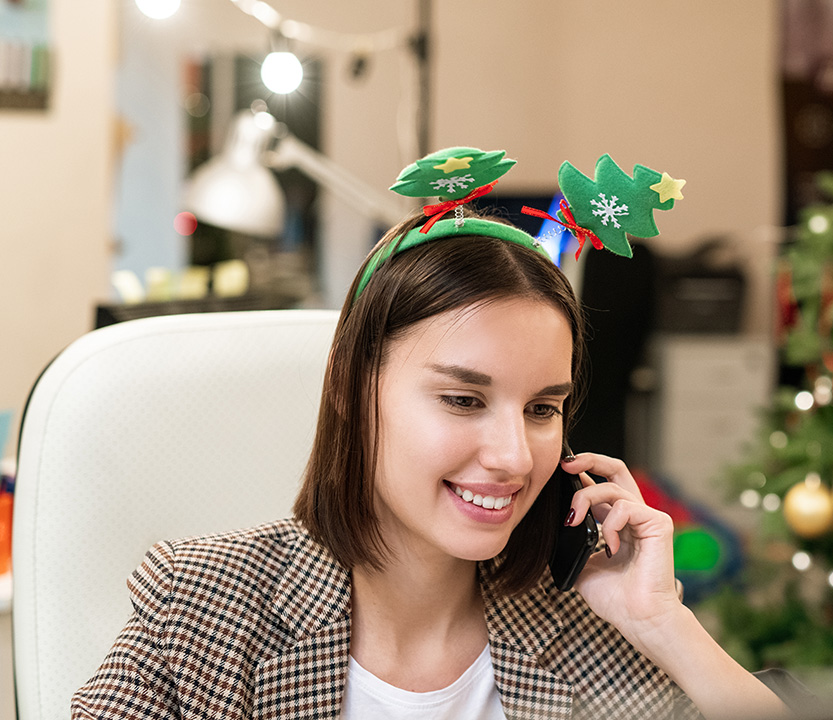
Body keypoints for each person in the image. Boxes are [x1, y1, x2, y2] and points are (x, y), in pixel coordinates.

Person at [72, 148, 790, 719]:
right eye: (462, 399)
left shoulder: (586, 631)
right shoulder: (204, 607)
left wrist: (664, 623)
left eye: (543, 409)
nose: (513, 457)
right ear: (356, 390)